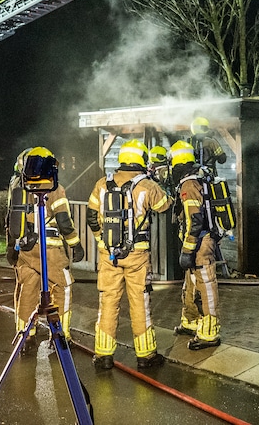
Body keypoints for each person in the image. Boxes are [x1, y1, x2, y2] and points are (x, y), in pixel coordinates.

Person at [86, 139, 173, 370]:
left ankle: (103, 355)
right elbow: (166, 206)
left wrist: (101, 242)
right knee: (139, 303)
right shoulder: (147, 186)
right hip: (137, 256)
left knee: (107, 303)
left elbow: (91, 217)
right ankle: (145, 356)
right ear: (141, 160)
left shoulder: (103, 183)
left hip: (108, 255)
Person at [6, 147, 83, 351]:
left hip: (25, 249)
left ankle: (25, 337)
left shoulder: (17, 187)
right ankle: (60, 336)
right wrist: (75, 244)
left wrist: (11, 247)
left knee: (27, 291)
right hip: (50, 251)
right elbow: (64, 221)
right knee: (63, 288)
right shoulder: (54, 187)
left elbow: (10, 219)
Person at [169, 141, 222, 350]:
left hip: (200, 242)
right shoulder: (199, 176)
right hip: (198, 240)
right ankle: (191, 322)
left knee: (206, 285)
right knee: (191, 282)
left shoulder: (188, 185)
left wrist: (187, 249)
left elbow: (195, 220)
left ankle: (209, 333)